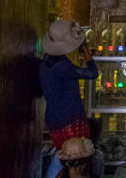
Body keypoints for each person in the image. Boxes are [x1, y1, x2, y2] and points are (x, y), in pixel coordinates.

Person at [39, 19, 98, 150]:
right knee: (75, 157)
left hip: (54, 120)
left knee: (63, 157)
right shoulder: (63, 66)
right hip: (70, 122)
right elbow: (93, 73)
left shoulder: (46, 60)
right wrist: (85, 48)